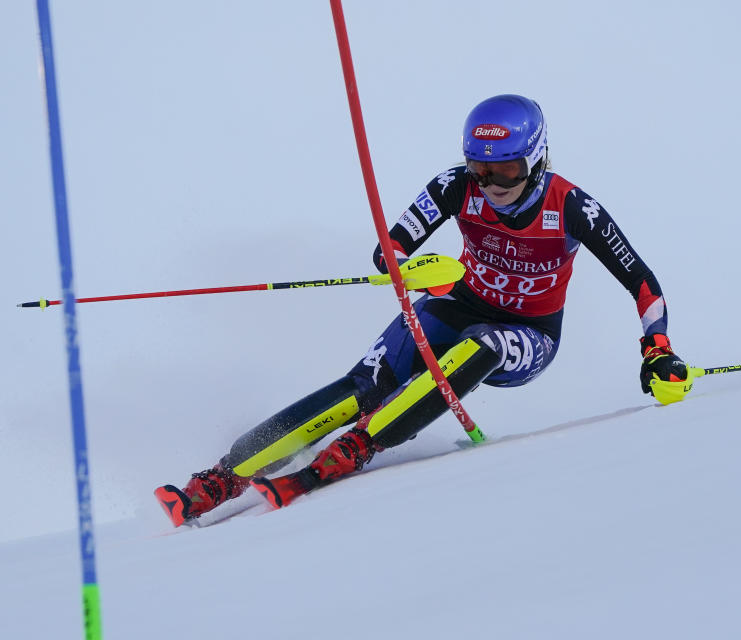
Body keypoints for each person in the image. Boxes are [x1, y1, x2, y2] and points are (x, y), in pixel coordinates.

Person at [155, 94, 691, 527]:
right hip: (456, 302)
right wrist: (407, 266)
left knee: (484, 344)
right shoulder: (456, 186)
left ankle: (357, 449)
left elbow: (642, 282)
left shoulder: (571, 207)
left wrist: (656, 350)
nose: (490, 184)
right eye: (480, 168)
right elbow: (392, 247)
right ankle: (220, 479)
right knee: (362, 385)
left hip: (528, 335)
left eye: (506, 170)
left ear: (538, 159)